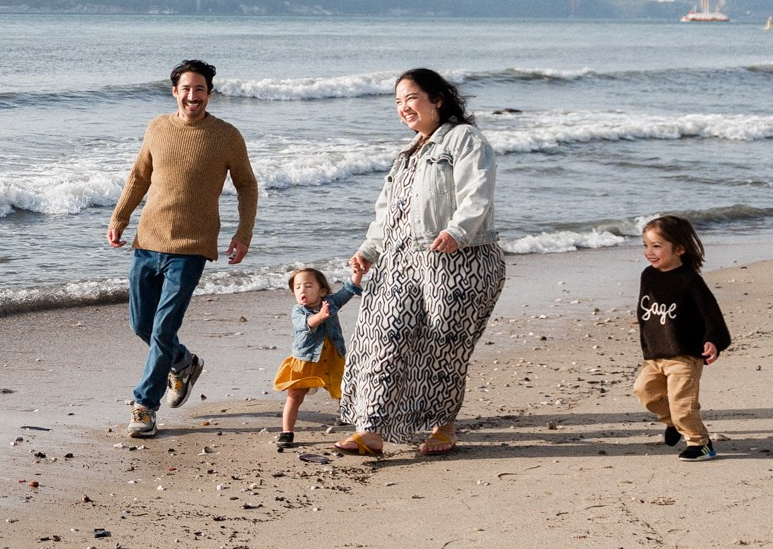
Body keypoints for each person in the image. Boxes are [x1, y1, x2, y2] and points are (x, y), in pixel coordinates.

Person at [334, 68, 504, 458]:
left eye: (410, 98)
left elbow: (478, 191)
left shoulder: (464, 139)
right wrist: (367, 251)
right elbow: (387, 213)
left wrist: (458, 231)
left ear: (437, 99)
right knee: (385, 338)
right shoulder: (407, 155)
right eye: (397, 102)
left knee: (443, 347)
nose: (403, 108)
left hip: (460, 261)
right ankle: (371, 431)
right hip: (400, 262)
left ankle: (443, 425)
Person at [107, 58, 258, 439]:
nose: (193, 96)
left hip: (193, 247)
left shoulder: (226, 136)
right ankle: (183, 362)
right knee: (141, 325)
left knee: (162, 328)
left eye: (200, 89)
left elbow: (247, 185)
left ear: (210, 93)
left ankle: (144, 406)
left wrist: (243, 233)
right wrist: (119, 217)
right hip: (148, 241)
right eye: (186, 89)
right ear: (175, 91)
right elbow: (139, 175)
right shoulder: (158, 128)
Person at [635, 214, 733, 461]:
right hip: (655, 354)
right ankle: (674, 422)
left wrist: (715, 340)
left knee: (683, 404)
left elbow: (712, 314)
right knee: (644, 391)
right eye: (646, 245)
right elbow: (645, 312)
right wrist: (647, 343)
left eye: (657, 246)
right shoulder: (648, 275)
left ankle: (701, 444)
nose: (649, 252)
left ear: (679, 249)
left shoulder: (690, 280)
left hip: (685, 355)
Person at [273, 265, 357, 450]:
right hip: (306, 360)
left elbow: (348, 291)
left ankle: (349, 415)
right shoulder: (298, 311)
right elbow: (307, 324)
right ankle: (287, 431)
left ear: (323, 291)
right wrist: (320, 316)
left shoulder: (331, 302)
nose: (302, 290)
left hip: (332, 356)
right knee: (294, 395)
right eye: (297, 287)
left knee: (344, 390)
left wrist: (357, 274)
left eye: (309, 285)